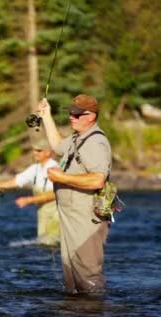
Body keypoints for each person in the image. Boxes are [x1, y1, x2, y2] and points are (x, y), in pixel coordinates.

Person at [37, 94, 112, 294]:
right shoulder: (78, 137)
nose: (72, 116)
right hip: (72, 218)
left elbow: (98, 179)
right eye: (71, 112)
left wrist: (62, 179)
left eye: (77, 114)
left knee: (88, 277)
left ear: (91, 116)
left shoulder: (96, 143)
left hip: (87, 219)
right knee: (73, 280)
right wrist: (46, 116)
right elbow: (57, 145)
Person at [0, 138, 61, 246]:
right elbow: (18, 180)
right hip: (43, 212)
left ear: (48, 152)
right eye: (34, 150)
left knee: (52, 244)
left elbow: (55, 194)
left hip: (55, 214)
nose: (35, 153)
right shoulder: (35, 168)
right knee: (45, 243)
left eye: (39, 150)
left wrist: (29, 200)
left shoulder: (54, 168)